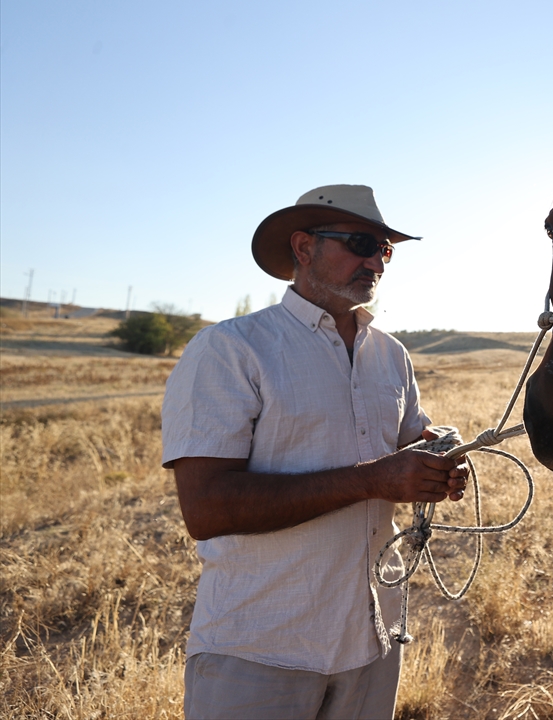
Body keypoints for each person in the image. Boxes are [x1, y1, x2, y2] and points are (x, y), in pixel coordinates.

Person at [162, 184, 469, 720]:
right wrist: (374, 479)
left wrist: (434, 470)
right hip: (259, 648)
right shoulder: (232, 348)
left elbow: (401, 455)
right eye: (360, 243)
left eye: (385, 250)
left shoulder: (392, 355)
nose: (375, 261)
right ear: (303, 249)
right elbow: (206, 509)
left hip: (373, 642)